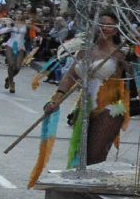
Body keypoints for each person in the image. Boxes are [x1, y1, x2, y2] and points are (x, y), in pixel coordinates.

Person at [36, 12, 132, 175]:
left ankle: (91, 195)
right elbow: (70, 76)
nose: (104, 27)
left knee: (94, 158)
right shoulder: (84, 51)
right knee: (81, 157)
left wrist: (132, 58)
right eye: (101, 23)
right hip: (84, 108)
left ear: (115, 30)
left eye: (109, 25)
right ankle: (82, 193)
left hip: (110, 109)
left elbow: (137, 73)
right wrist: (56, 99)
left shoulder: (120, 54)